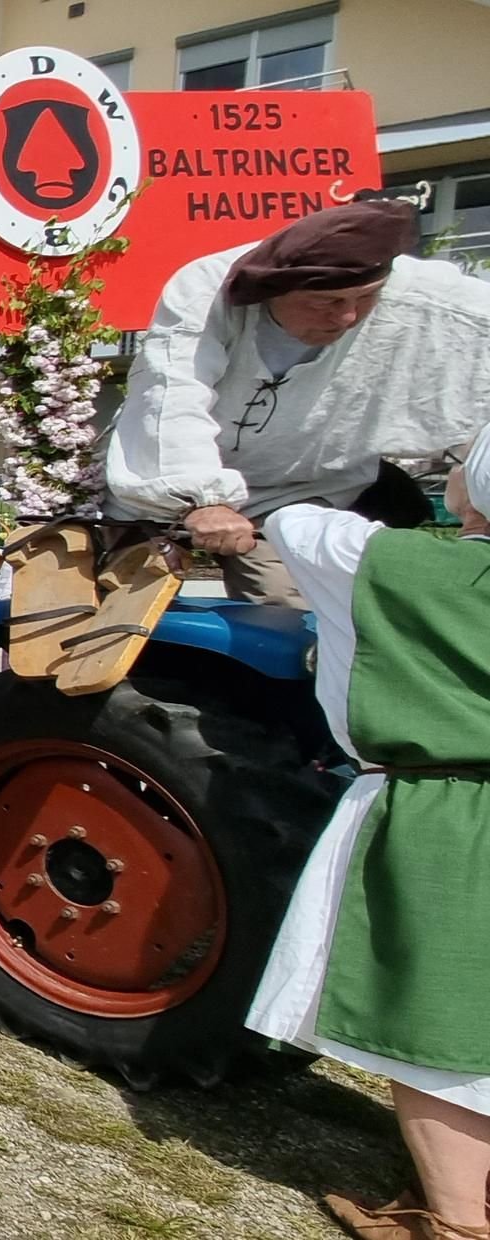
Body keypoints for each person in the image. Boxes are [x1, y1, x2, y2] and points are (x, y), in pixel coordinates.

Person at [246, 433, 490, 1240]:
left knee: (435, 1017)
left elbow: (288, 517)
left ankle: (455, 1223)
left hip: (449, 808)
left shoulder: (379, 560)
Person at [105, 199, 490, 605]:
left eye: (366, 298)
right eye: (326, 302)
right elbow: (171, 394)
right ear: (274, 291)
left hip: (301, 492)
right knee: (118, 613)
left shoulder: (427, 296)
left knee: (289, 612)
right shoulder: (206, 290)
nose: (347, 317)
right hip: (164, 487)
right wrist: (200, 499)